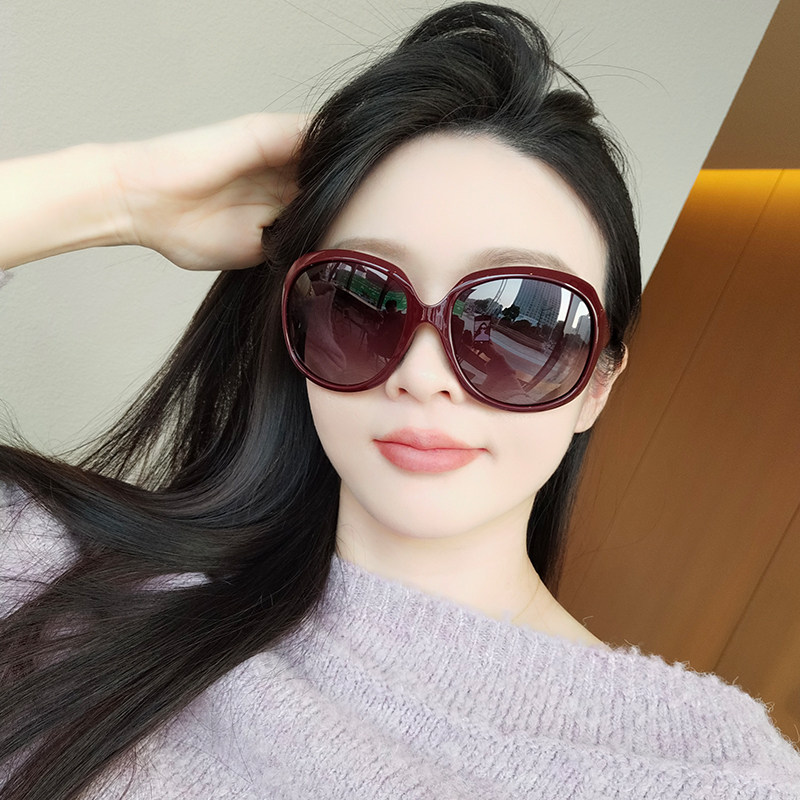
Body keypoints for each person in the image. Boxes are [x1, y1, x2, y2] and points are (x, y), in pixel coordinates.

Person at [1, 4, 799, 799]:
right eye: (362, 298)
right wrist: (118, 195)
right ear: (297, 325)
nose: (422, 373)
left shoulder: (713, 775)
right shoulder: (57, 578)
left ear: (597, 381)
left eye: (518, 319)